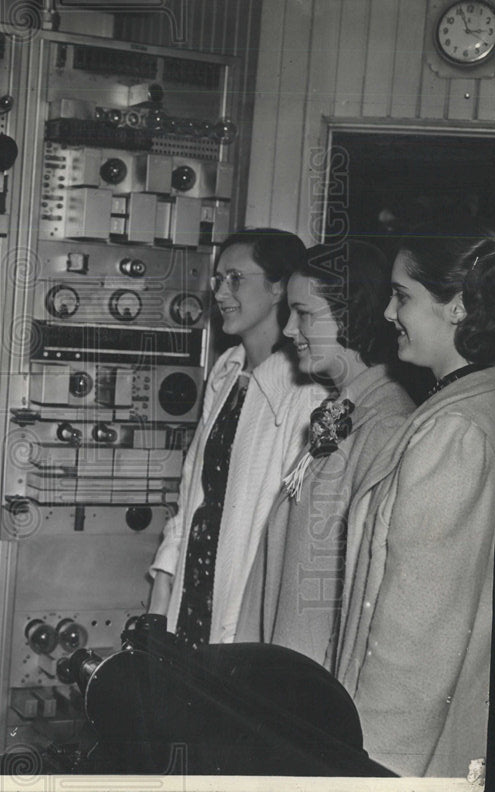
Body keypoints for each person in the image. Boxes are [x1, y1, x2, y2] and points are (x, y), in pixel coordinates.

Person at [334, 219, 495, 776]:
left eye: (402, 296)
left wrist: (373, 769)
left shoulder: (454, 431)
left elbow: (417, 640)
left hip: (407, 757)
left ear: (458, 306)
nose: (388, 314)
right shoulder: (477, 405)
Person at [233, 240, 414, 668]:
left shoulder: (386, 424)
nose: (290, 330)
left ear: (351, 315)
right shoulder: (344, 409)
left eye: (305, 314)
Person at [148, 229, 325, 647]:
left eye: (236, 279)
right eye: (218, 280)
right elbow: (193, 487)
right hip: (193, 589)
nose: (222, 293)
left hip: (243, 609)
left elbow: (288, 535)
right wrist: (163, 582)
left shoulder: (306, 394)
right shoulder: (228, 372)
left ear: (279, 287)